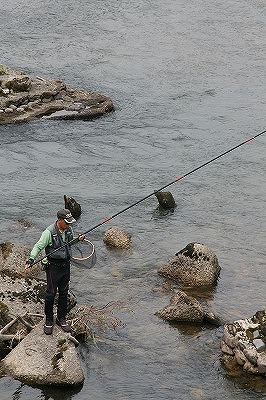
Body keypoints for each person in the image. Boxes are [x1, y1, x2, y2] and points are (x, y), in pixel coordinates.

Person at [25, 209, 85, 335]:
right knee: (51, 294)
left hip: (65, 266)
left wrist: (78, 239)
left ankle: (61, 318)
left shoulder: (68, 229)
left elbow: (70, 242)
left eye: (70, 222)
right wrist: (31, 259)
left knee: (64, 292)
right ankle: (48, 320)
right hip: (53, 267)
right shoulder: (49, 232)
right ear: (59, 220)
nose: (69, 225)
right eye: (67, 222)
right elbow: (38, 246)